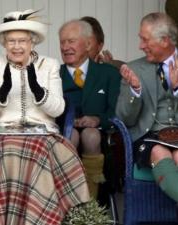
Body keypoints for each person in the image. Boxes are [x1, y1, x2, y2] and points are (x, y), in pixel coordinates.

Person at [0, 9, 89, 225]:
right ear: (4, 43)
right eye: (11, 41)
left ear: (32, 42)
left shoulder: (49, 65)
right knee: (8, 151)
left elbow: (58, 109)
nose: (16, 46)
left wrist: (38, 90)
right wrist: (1, 93)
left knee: (39, 153)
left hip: (43, 135)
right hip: (2, 137)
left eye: (22, 40)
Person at [116, 12, 178, 224]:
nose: (141, 46)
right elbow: (124, 118)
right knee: (160, 151)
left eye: (145, 39)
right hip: (149, 135)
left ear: (165, 40)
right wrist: (135, 90)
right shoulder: (134, 69)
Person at [59, 19, 121, 200]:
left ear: (87, 44)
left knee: (91, 135)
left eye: (71, 41)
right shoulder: (54, 74)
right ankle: (69, 201)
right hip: (63, 135)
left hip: (100, 138)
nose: (65, 47)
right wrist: (68, 122)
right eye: (62, 42)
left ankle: (89, 204)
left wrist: (98, 119)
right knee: (72, 135)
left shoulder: (108, 74)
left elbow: (117, 112)